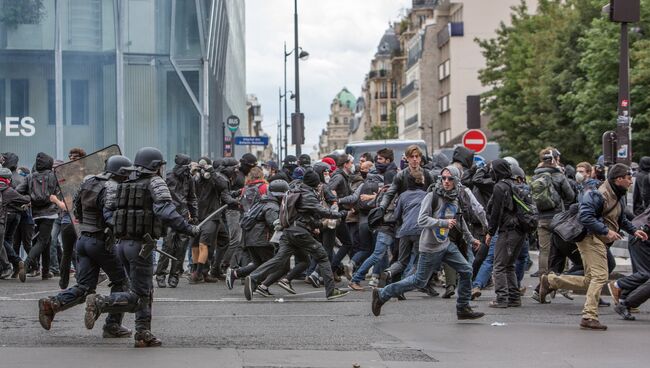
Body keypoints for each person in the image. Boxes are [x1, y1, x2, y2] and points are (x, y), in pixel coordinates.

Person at [84, 147, 200, 347]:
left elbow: (110, 213)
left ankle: (143, 333)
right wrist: (188, 228)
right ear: (155, 166)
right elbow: (166, 211)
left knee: (144, 291)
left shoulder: (125, 183)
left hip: (122, 245)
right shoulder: (155, 182)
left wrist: (125, 229)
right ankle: (101, 302)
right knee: (139, 295)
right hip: (140, 246)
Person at [539, 163, 648, 330]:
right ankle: (589, 316)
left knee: (591, 280)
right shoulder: (599, 194)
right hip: (590, 237)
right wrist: (607, 232)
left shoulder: (618, 194)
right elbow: (585, 217)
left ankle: (551, 280)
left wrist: (634, 231)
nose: (631, 182)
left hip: (599, 238)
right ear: (619, 179)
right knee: (600, 277)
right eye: (628, 178)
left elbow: (620, 218)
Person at [36, 156, 133, 337]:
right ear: (120, 172)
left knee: (85, 287)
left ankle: (52, 304)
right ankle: (112, 325)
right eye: (126, 173)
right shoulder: (112, 186)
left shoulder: (89, 181)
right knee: (122, 281)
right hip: (101, 240)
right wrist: (124, 231)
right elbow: (110, 216)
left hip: (83, 239)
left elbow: (77, 209)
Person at [371, 166, 484, 320]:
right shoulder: (431, 196)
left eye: (450, 179)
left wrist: (471, 239)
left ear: (456, 180)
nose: (446, 181)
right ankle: (382, 294)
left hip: (446, 244)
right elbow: (422, 220)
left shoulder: (455, 196)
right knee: (419, 280)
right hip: (430, 246)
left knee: (466, 270)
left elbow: (459, 221)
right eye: (443, 178)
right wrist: (443, 223)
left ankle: (463, 307)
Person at [244, 170, 349, 301]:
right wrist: (341, 214)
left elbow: (305, 215)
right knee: (322, 256)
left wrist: (320, 225)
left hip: (288, 231)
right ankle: (331, 290)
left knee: (285, 260)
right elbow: (321, 211)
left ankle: (253, 278)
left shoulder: (295, 190)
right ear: (315, 183)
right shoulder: (308, 194)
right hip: (300, 232)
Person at [225, 179, 288, 291]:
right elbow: (274, 224)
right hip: (262, 239)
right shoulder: (272, 206)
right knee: (272, 264)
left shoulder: (262, 201)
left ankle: (235, 274)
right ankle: (257, 285)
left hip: (251, 238)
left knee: (258, 264)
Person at [485, 159, 529, 308]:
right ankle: (514, 297)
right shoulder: (514, 183)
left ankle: (502, 298)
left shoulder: (500, 187)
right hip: (520, 230)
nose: (491, 171)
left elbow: (496, 212)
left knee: (499, 265)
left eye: (492, 169)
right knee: (509, 265)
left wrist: (490, 232)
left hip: (508, 230)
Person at [155, 154, 198, 288]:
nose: (189, 169)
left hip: (183, 217)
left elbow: (192, 198)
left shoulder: (189, 179)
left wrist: (195, 215)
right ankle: (161, 274)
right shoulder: (167, 177)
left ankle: (174, 275)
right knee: (167, 246)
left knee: (181, 248)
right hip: (169, 217)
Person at [16, 152, 60, 281]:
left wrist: (29, 200)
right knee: (43, 241)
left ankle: (45, 273)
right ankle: (26, 263)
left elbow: (18, 191)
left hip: (35, 214)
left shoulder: (30, 177)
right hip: (50, 212)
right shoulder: (54, 175)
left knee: (46, 240)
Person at [531, 147, 575, 277]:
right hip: (558, 219)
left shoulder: (535, 177)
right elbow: (570, 196)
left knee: (544, 250)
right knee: (562, 248)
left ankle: (543, 278)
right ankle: (560, 277)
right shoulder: (559, 176)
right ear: (554, 160)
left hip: (542, 218)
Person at [0, 168, 30, 279]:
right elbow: (24, 199)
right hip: (13, 217)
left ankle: (10, 265)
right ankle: (16, 264)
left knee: (3, 242)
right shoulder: (9, 190)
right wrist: (28, 196)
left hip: (6, 217)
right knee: (6, 240)